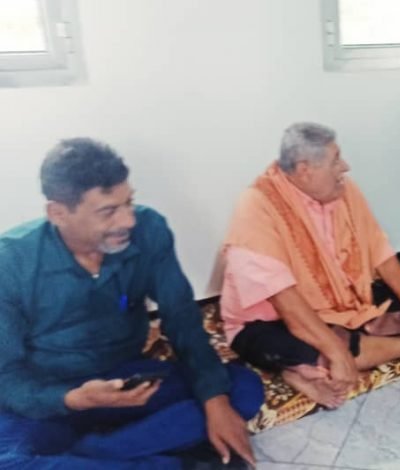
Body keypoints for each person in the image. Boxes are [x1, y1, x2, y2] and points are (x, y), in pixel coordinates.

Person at [0, 138, 264, 469]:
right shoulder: (11, 262)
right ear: (58, 213)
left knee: (242, 389)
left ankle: (90, 454)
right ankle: (170, 462)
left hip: (127, 383)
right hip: (50, 396)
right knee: (9, 461)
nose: (127, 220)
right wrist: (74, 399)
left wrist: (214, 399)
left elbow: (182, 320)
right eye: (108, 211)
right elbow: (6, 378)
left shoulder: (148, 229)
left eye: (128, 202)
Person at [220, 123, 400, 409]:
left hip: (334, 302)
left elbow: (380, 251)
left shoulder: (343, 189)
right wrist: (337, 353)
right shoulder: (256, 206)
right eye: (336, 160)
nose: (345, 167)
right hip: (269, 318)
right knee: (311, 348)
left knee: (399, 299)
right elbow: (286, 303)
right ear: (305, 170)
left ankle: (311, 366)